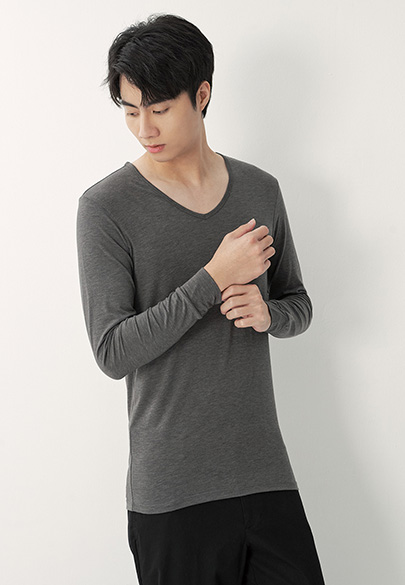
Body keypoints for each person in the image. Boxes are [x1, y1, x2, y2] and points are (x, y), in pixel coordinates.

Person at [76, 12, 326, 585]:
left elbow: (299, 304)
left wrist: (268, 314)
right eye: (130, 110)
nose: (144, 128)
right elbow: (112, 351)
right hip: (173, 493)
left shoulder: (260, 190)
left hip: (265, 475)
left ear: (203, 95)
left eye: (160, 108)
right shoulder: (106, 208)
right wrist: (213, 277)